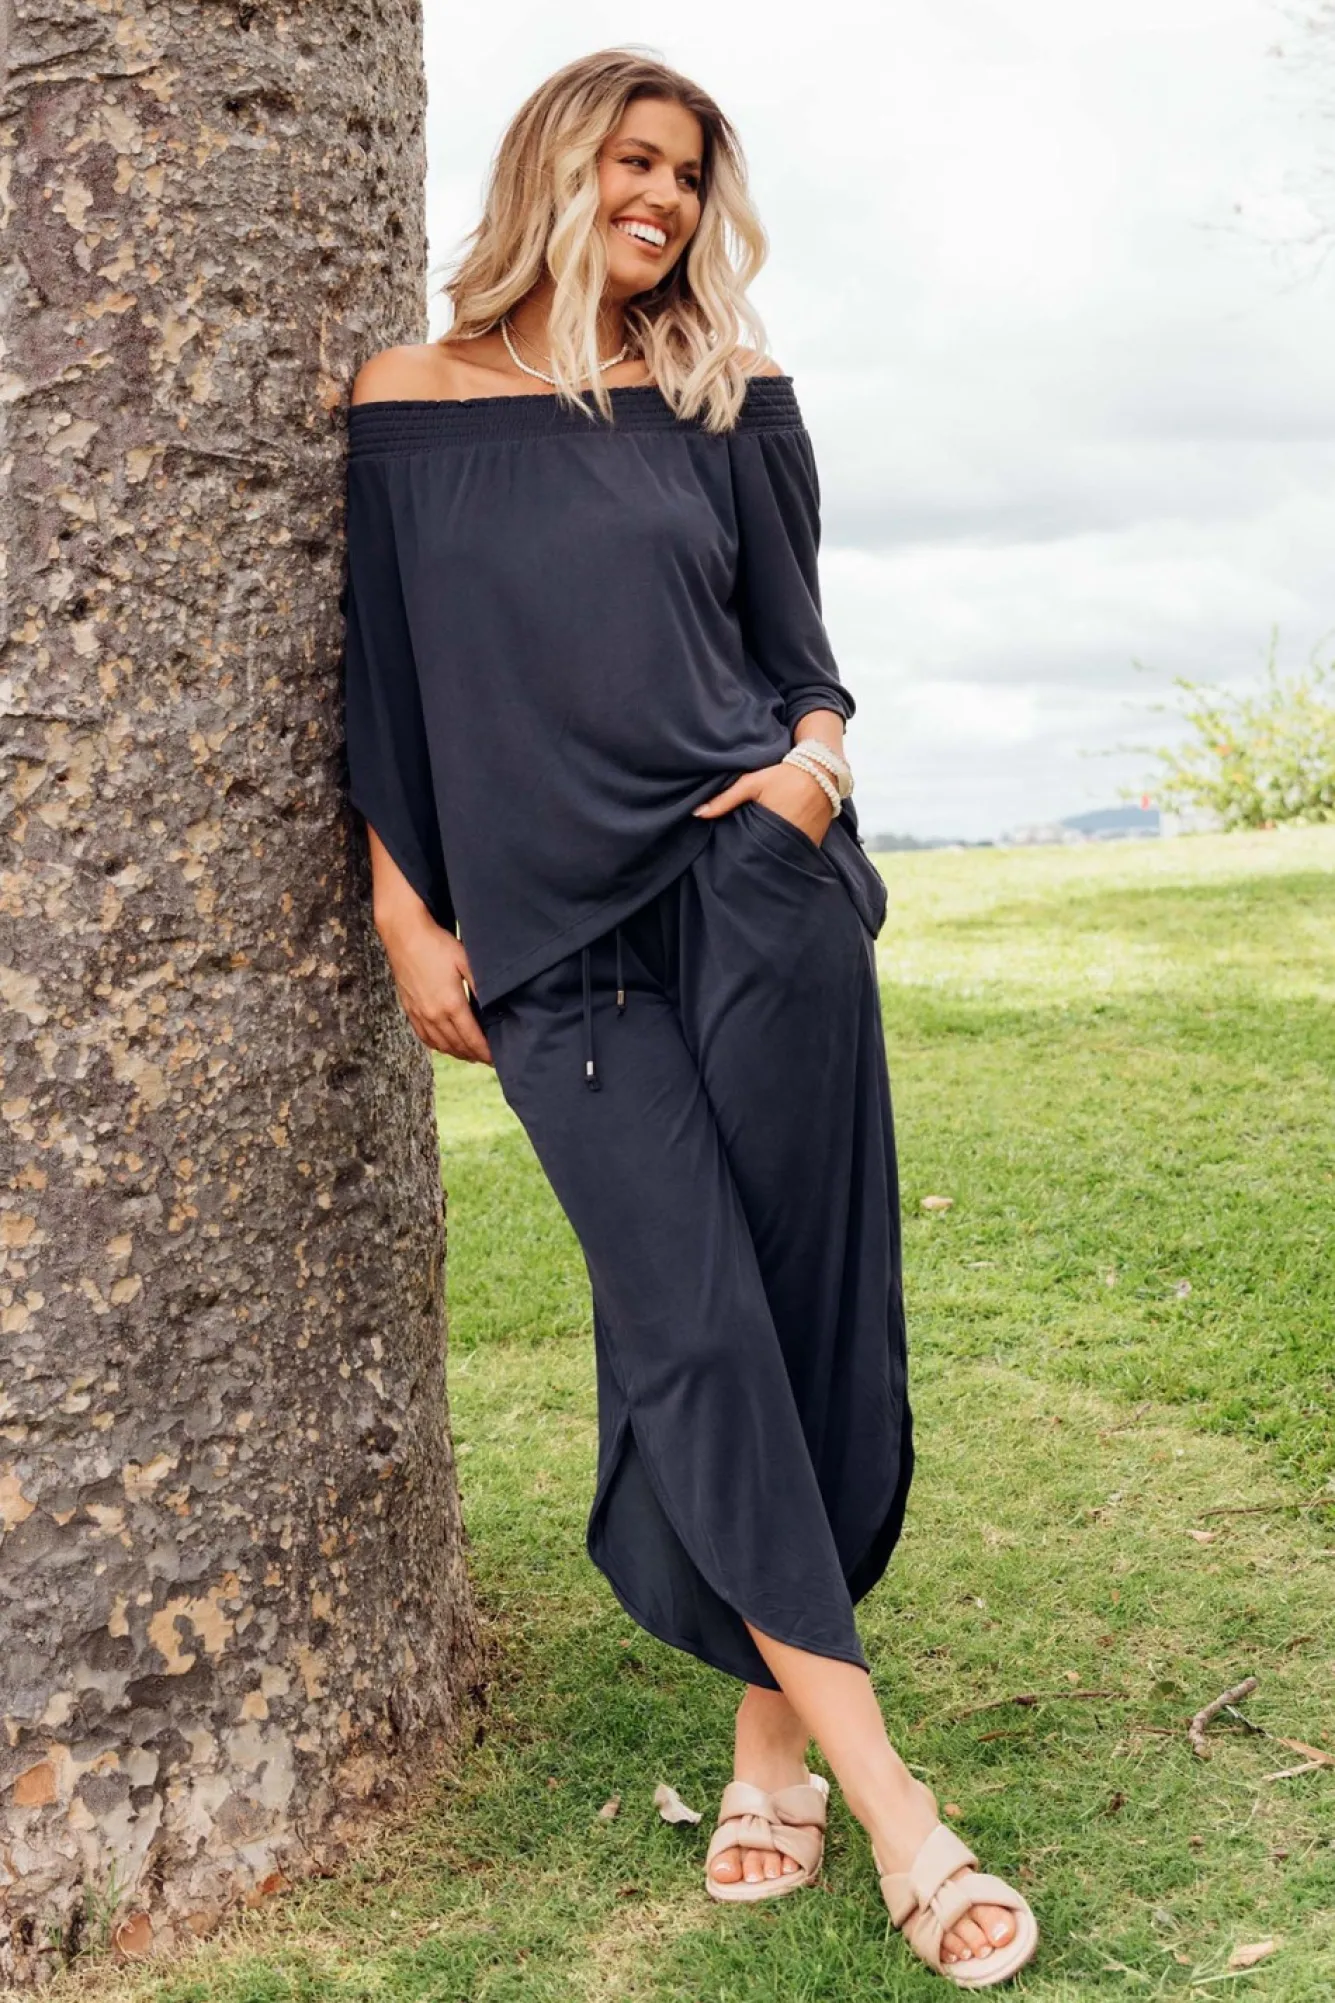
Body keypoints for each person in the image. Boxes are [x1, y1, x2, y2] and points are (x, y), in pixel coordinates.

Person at [341, 47, 1037, 1987]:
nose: (658, 194)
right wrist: (404, 908)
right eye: (629, 158)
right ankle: (901, 1809)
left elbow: (802, 657)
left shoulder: (731, 391)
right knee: (689, 1316)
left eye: (687, 172)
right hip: (551, 944)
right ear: (553, 165)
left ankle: (775, 1756)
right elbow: (380, 684)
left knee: (792, 1315)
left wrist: (807, 773)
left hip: (754, 893)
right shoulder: (405, 400)